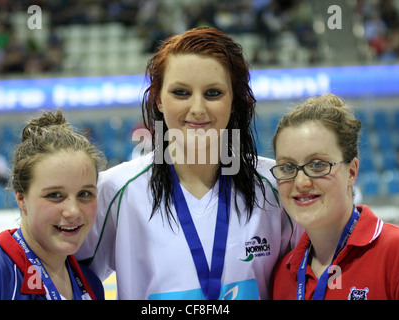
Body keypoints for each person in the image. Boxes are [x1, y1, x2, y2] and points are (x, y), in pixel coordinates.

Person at [75, 26, 303, 300]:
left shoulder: (276, 187)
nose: (197, 108)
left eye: (213, 93)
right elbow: (69, 281)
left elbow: (307, 280)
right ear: (158, 99)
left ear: (234, 100)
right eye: (181, 92)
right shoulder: (115, 190)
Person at [270, 94, 399, 300]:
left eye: (317, 164)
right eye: (288, 167)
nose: (300, 182)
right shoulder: (283, 272)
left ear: (351, 172)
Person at [0, 110, 106, 300]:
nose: (73, 211)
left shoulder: (91, 284)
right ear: (21, 198)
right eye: (55, 195)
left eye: (84, 194)